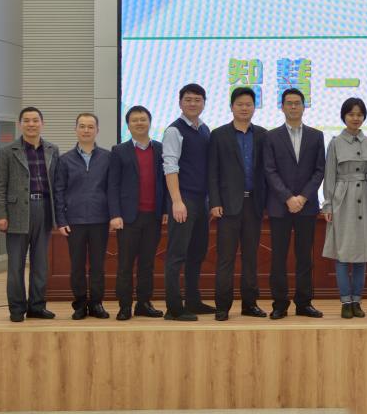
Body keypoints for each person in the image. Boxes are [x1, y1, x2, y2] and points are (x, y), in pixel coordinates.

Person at [0, 106, 59, 322]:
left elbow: (56, 185)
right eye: (27, 120)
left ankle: (37, 306)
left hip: (44, 210)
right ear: (20, 124)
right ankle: (17, 309)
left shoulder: (52, 149)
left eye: (35, 120)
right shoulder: (7, 151)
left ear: (42, 123)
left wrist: (59, 215)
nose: (31, 124)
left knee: (40, 264)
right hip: (17, 212)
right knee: (16, 265)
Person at [264, 88, 326, 320]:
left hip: (306, 206)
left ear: (303, 106)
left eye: (297, 103)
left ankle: (304, 303)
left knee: (304, 257)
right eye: (289, 103)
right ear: (282, 107)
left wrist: (303, 197)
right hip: (280, 206)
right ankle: (279, 304)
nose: (293, 107)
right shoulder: (271, 136)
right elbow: (269, 170)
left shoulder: (316, 136)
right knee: (278, 258)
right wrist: (288, 198)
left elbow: (319, 170)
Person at [207, 87, 268, 321]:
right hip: (227, 206)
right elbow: (212, 171)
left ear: (254, 108)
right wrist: (214, 202)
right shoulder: (219, 135)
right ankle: (222, 306)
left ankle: (250, 304)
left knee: (251, 257)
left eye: (248, 104)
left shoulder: (262, 135)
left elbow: (266, 171)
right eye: (240, 104)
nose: (244, 108)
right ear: (232, 107)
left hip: (254, 204)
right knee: (226, 258)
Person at [323, 98, 367, 319]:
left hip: (366, 199)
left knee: (363, 253)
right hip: (343, 198)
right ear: (344, 117)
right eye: (351, 114)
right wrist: (328, 204)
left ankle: (357, 300)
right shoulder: (335, 143)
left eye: (359, 114)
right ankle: (345, 301)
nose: (355, 118)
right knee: (342, 253)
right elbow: (329, 174)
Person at [108, 105, 167, 320]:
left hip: (153, 216)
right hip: (127, 218)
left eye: (143, 119)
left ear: (149, 122)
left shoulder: (160, 149)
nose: (139, 123)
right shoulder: (119, 151)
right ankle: (125, 306)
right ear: (128, 125)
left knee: (147, 264)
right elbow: (113, 185)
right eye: (135, 120)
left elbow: (166, 182)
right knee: (125, 264)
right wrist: (115, 214)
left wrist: (165, 209)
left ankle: (144, 303)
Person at [162, 83, 214, 321]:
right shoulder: (175, 130)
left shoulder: (204, 129)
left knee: (197, 253)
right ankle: (174, 308)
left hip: (201, 201)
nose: (193, 103)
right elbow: (170, 166)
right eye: (188, 99)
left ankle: (193, 300)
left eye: (197, 99)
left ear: (204, 103)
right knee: (177, 255)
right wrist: (176, 201)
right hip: (183, 201)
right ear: (180, 103)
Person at [54, 112, 113, 319]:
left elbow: (113, 189)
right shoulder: (64, 160)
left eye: (90, 126)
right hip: (74, 221)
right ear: (76, 129)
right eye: (82, 126)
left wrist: (113, 215)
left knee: (98, 266)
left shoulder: (108, 157)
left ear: (97, 130)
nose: (86, 130)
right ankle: (80, 304)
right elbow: (59, 191)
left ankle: (96, 304)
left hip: (100, 220)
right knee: (77, 266)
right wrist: (61, 220)